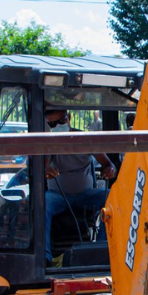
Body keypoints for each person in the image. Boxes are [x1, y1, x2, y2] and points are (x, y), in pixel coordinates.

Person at [44, 109, 116, 264]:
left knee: (111, 196)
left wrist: (109, 169)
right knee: (42, 204)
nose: (58, 126)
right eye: (52, 124)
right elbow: (44, 166)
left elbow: (109, 164)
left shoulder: (84, 140)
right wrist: (47, 170)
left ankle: (103, 248)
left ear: (69, 118)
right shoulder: (48, 142)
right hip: (58, 196)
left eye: (61, 121)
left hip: (85, 195)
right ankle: (45, 256)